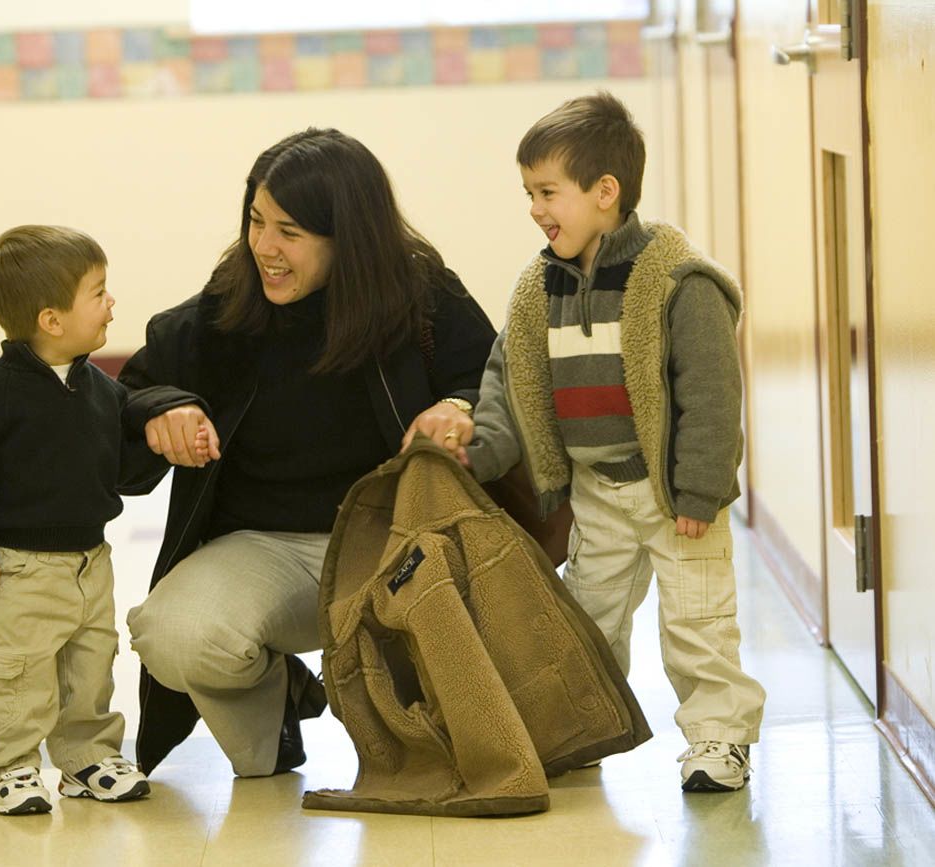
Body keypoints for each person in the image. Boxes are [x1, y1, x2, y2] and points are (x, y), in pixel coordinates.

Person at [118, 128, 497, 778]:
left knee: (437, 747)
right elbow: (131, 392)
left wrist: (458, 408)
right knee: (174, 634)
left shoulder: (421, 297)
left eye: (289, 232)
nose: (264, 247)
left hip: (394, 541)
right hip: (263, 549)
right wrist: (160, 409)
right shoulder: (221, 314)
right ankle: (279, 698)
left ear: (347, 236)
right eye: (256, 222)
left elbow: (496, 382)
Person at [465, 92, 766, 792]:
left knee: (697, 623)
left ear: (605, 192)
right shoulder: (540, 290)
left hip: (672, 494)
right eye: (528, 193)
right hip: (596, 494)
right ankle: (581, 725)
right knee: (585, 619)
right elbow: (510, 384)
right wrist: (475, 452)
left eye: (547, 192)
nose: (536, 209)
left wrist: (698, 489)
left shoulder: (676, 282)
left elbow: (712, 398)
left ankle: (718, 739)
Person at [0, 225, 164, 814]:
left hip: (91, 562)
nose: (111, 302)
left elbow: (122, 464)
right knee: (21, 674)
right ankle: (11, 769)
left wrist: (165, 441)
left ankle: (86, 759)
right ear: (51, 320)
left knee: (90, 669)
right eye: (98, 291)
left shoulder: (97, 388)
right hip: (19, 567)